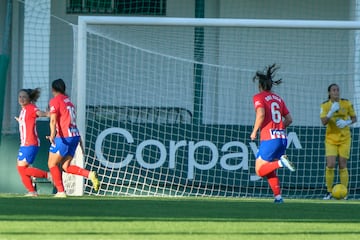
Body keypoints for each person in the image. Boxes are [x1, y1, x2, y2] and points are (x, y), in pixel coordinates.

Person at [250, 64, 295, 204]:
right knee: (269, 170)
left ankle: (282, 162)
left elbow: (261, 114)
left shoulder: (259, 97)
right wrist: (279, 128)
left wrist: (254, 131)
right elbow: (289, 119)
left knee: (259, 170)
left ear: (260, 86)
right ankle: (278, 197)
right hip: (281, 138)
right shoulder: (278, 99)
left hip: (269, 138)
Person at [47, 78, 100, 197]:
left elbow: (53, 120)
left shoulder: (55, 100)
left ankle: (61, 191)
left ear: (53, 89)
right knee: (66, 166)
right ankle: (90, 174)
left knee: (52, 164)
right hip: (74, 136)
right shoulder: (69, 102)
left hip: (64, 137)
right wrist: (80, 141)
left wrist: (52, 135)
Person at [320, 83, 356, 200]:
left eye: (337, 90)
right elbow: (324, 122)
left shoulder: (346, 103)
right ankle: (329, 191)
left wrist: (347, 123)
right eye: (333, 90)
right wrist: (330, 112)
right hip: (331, 139)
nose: (336, 92)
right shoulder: (325, 105)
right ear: (329, 93)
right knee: (330, 165)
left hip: (345, 138)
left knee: (342, 165)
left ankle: (344, 192)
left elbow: (354, 118)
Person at [16, 88, 51, 197]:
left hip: (30, 143)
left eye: (24, 97)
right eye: (20, 97)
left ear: (29, 99)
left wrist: (47, 114)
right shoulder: (23, 110)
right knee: (21, 169)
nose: (21, 99)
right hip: (24, 144)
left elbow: (38, 113)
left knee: (22, 168)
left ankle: (48, 175)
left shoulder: (31, 108)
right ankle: (32, 191)